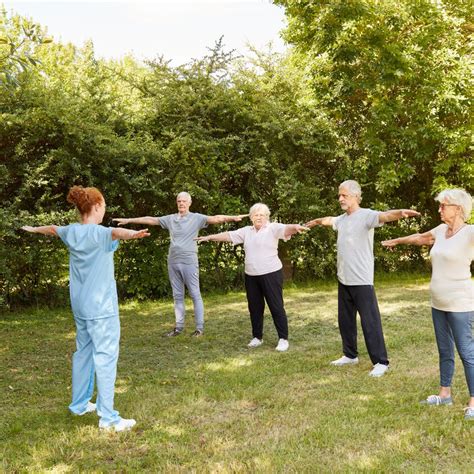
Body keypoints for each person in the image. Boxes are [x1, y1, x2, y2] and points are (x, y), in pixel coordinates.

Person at [21, 185, 150, 432]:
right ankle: (109, 418)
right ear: (98, 206)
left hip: (80, 306)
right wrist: (132, 235)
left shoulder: (72, 232)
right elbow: (117, 232)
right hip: (101, 308)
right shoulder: (100, 233)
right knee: (106, 356)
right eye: (104, 207)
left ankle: (80, 404)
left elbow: (51, 230)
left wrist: (33, 229)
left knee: (83, 353)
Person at [305, 180, 420, 377]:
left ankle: (381, 362)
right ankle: (350, 355)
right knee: (345, 320)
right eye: (339, 195)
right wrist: (315, 222)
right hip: (344, 278)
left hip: (362, 279)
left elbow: (384, 215)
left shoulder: (366, 216)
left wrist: (400, 213)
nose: (340, 199)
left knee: (370, 321)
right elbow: (329, 220)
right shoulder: (341, 219)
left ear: (356, 196)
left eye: (344, 195)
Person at [382, 188, 473, 420]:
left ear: (458, 209)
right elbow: (421, 238)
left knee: (466, 351)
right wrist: (398, 240)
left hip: (460, 303)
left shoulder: (470, 233)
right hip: (438, 302)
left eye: (444, 205)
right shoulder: (441, 230)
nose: (440, 209)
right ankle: (445, 394)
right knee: (444, 349)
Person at [113, 192, 247, 337]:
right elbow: (151, 219)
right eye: (179, 201)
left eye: (184, 201)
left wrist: (232, 217)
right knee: (177, 296)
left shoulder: (197, 218)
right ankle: (178, 328)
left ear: (189, 203)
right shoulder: (170, 219)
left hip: (189, 261)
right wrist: (128, 220)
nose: (181, 203)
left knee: (195, 294)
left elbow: (216, 218)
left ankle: (199, 328)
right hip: (173, 261)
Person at [195, 203, 307, 351]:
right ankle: (257, 337)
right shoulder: (247, 231)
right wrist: (210, 237)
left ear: (267, 217)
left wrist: (296, 227)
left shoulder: (273, 228)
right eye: (256, 215)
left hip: (271, 274)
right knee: (255, 308)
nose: (259, 217)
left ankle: (283, 338)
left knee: (276, 306)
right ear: (251, 218)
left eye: (262, 215)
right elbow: (229, 235)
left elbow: (286, 228)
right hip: (251, 276)